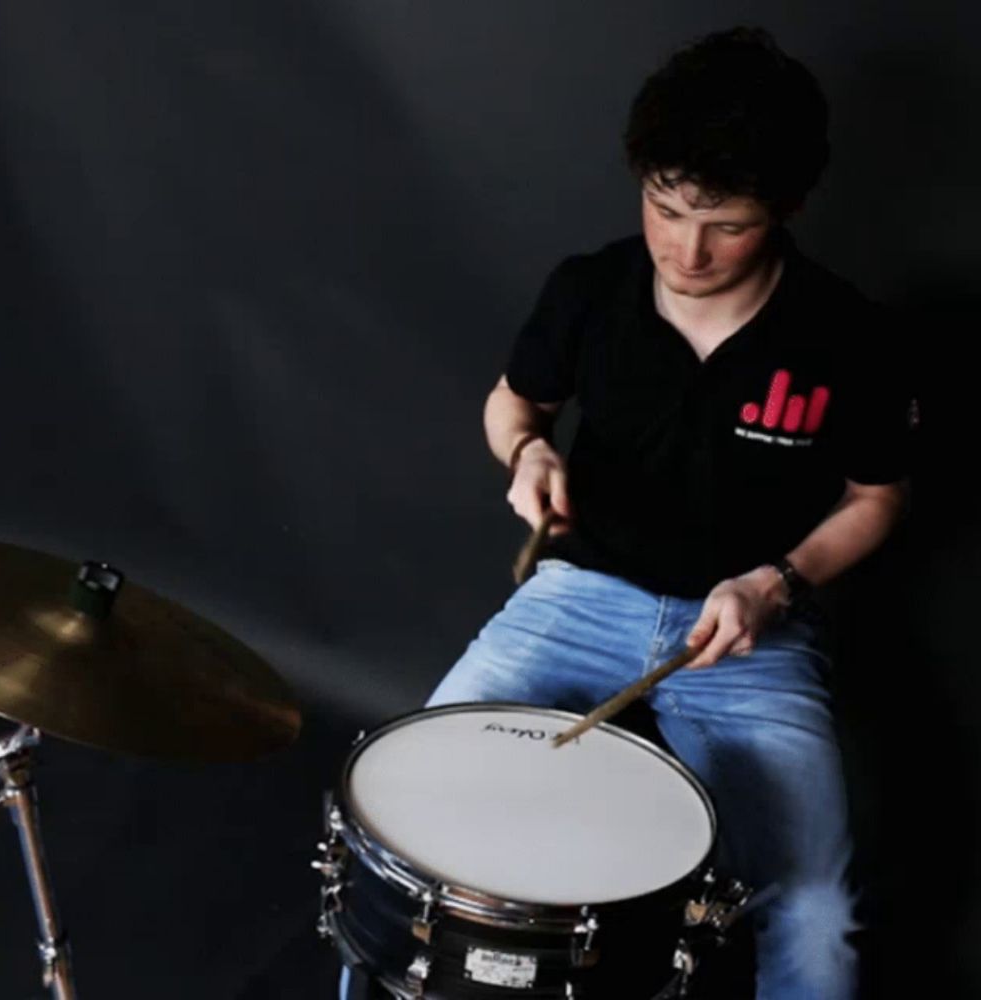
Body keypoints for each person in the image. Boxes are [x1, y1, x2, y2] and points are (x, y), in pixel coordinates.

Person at [341, 25, 911, 1000]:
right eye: (665, 208)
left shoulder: (845, 334)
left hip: (747, 635)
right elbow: (513, 402)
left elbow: (875, 498)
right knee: (410, 829)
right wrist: (524, 453)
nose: (687, 249)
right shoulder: (590, 288)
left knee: (816, 915)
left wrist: (777, 581)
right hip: (578, 593)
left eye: (727, 223)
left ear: (786, 209)